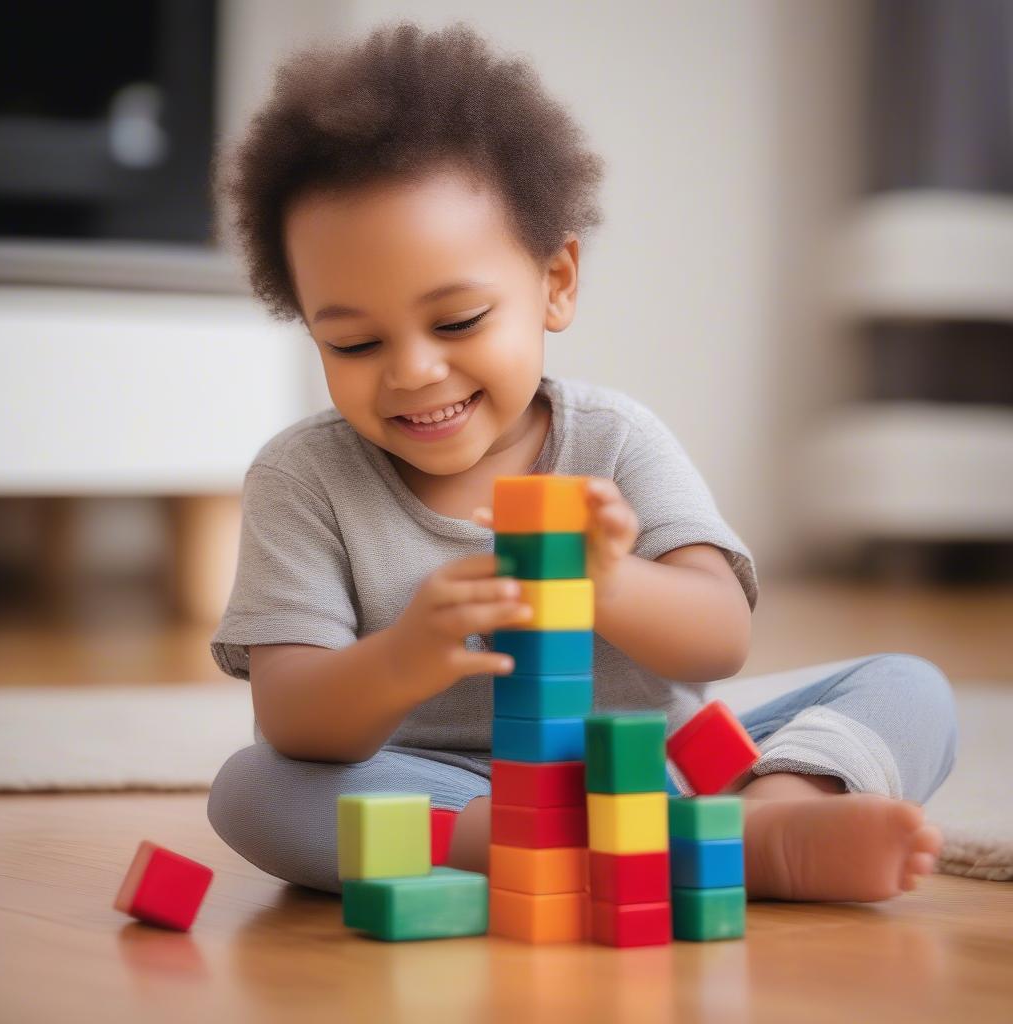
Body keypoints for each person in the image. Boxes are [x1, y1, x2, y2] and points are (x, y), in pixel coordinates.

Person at [207, 20, 955, 903]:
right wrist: (405, 656)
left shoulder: (617, 439)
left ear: (556, 282)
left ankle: (770, 818)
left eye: (456, 323)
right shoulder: (304, 480)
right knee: (254, 790)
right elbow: (291, 716)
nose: (412, 370)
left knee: (908, 689)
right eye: (356, 341)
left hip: (660, 769)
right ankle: (607, 851)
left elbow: (721, 637)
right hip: (453, 789)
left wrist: (614, 580)